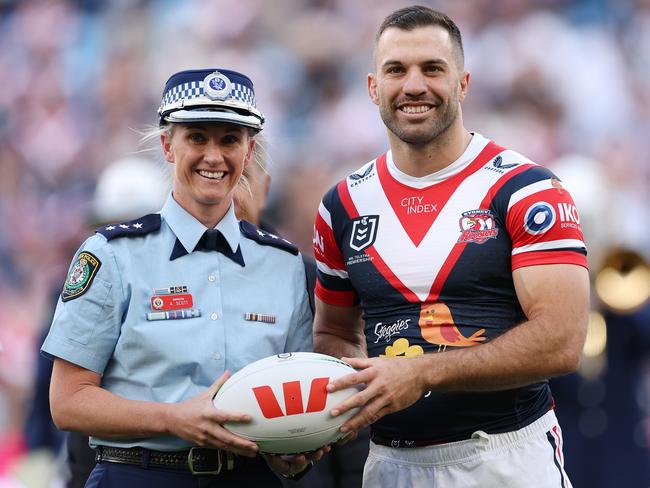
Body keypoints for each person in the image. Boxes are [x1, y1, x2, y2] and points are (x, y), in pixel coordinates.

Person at [312, 6, 590, 488]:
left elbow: (563, 343)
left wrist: (422, 373)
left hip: (505, 457)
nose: (414, 86)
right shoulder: (341, 205)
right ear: (373, 87)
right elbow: (334, 334)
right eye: (396, 69)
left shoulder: (528, 189)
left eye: (432, 69)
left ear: (463, 83)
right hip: (389, 463)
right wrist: (324, 418)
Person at [41, 68, 322, 487]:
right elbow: (68, 402)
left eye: (229, 139)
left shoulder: (285, 265)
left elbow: (294, 396)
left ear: (249, 151)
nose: (214, 156)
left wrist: (295, 451)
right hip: (138, 474)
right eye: (197, 137)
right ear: (167, 146)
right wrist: (174, 419)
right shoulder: (111, 255)